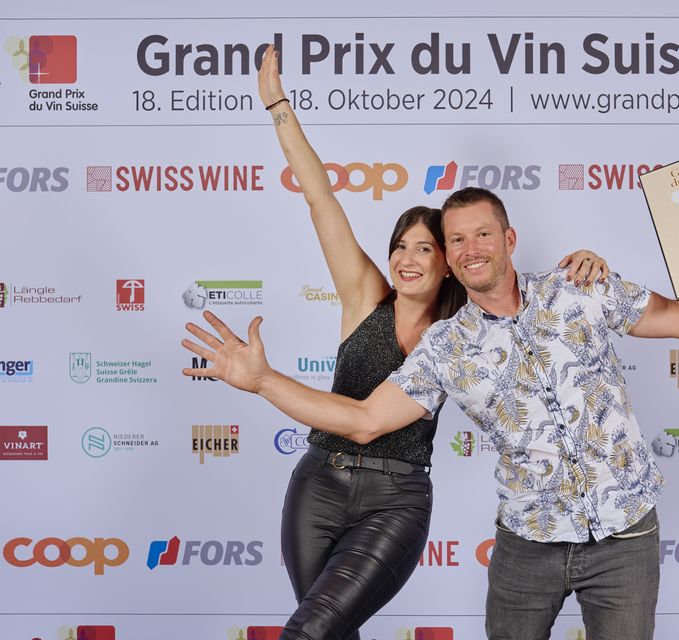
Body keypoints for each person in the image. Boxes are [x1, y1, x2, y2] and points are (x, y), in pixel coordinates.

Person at [184, 183, 679, 639]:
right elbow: (365, 420)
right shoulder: (445, 346)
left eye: (483, 234)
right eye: (456, 240)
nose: (470, 248)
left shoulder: (579, 287)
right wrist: (263, 381)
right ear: (448, 258)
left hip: (625, 536)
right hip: (526, 548)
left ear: (509, 239)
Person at [184, 45, 610, 640]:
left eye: (425, 248)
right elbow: (320, 197)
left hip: (397, 499)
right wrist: (278, 106)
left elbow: (532, 305)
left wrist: (586, 264)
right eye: (400, 245)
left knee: (307, 631)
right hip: (318, 485)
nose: (407, 258)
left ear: (450, 261)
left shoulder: (465, 329)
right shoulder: (365, 296)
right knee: (330, 632)